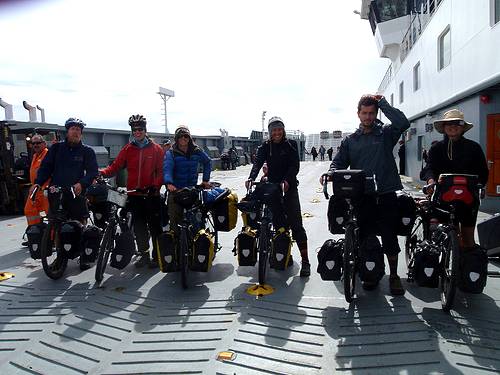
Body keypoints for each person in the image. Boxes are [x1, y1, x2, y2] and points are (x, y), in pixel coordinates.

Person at [321, 94, 410, 295]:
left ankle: (394, 276)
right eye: (365, 113)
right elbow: (338, 162)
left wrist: (383, 103)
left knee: (389, 236)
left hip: (385, 192)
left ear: (376, 113)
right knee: (365, 235)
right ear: (358, 114)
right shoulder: (351, 140)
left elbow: (403, 122)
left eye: (371, 113)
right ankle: (370, 272)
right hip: (362, 195)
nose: (368, 117)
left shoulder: (386, 134)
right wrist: (331, 173)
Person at [247, 116, 310, 277]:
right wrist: (251, 177)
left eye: (279, 129)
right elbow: (257, 164)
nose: (277, 133)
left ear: (283, 130)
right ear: (270, 132)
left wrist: (287, 180)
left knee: (296, 224)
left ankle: (305, 261)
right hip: (273, 188)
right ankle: (284, 253)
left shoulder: (290, 145)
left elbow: (294, 165)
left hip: (288, 187)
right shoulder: (265, 147)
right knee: (279, 223)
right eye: (274, 130)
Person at [32, 118, 98, 270]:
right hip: (57, 192)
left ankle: (83, 256)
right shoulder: (56, 149)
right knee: (56, 225)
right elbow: (46, 167)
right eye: (72, 129)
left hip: (76, 193)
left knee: (80, 223)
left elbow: (93, 171)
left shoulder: (87, 151)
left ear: (81, 133)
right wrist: (38, 183)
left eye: (78, 130)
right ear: (67, 131)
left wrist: (82, 183)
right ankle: (61, 257)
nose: (75, 132)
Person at [100, 115, 164, 268]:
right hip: (134, 195)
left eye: (140, 129)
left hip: (151, 194)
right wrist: (102, 173)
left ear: (145, 130)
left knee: (155, 227)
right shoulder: (128, 149)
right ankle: (144, 255)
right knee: (139, 227)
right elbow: (115, 166)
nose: (137, 132)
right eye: (134, 130)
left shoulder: (156, 149)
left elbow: (161, 171)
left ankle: (157, 256)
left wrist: (155, 186)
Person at [420, 109, 488, 249]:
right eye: (449, 123)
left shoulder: (474, 147)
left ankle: (466, 267)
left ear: (463, 127)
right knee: (447, 235)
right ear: (444, 127)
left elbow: (483, 171)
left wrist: (480, 184)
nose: (453, 126)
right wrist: (431, 181)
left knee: (468, 239)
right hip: (443, 197)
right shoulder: (436, 148)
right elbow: (429, 168)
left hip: (468, 197)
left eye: (457, 123)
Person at [163, 126, 211, 239]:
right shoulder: (171, 153)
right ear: (176, 139)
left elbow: (207, 162)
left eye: (186, 136)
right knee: (174, 218)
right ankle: (176, 245)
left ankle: (200, 243)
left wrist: (205, 180)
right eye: (180, 136)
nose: (183, 139)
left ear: (189, 138)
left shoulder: (196, 151)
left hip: (192, 189)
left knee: (197, 219)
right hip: (176, 190)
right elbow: (167, 168)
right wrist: (169, 183)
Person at [24, 135, 49, 230]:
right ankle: (35, 233)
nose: (35, 145)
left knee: (50, 213)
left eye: (38, 143)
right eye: (33, 143)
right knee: (29, 209)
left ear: (44, 144)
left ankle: (52, 237)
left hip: (45, 190)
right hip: (36, 189)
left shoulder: (47, 154)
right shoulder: (35, 156)